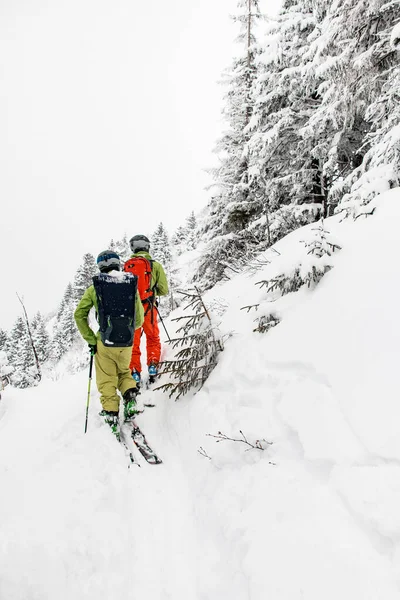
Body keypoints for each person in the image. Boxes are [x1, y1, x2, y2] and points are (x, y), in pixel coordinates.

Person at [74, 250, 144, 437]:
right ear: (118, 264)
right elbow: (139, 319)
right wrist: (127, 331)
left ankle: (111, 414)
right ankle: (129, 398)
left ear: (101, 267)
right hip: (127, 341)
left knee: (106, 378)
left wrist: (91, 339)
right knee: (124, 372)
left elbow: (79, 315)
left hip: (105, 341)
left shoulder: (95, 288)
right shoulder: (130, 285)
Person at [124, 234, 169, 386]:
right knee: (152, 337)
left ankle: (135, 373)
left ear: (133, 247)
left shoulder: (126, 266)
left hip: (131, 310)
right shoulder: (154, 265)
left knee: (133, 342)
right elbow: (163, 290)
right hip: (149, 306)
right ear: (147, 246)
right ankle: (152, 366)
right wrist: (152, 290)